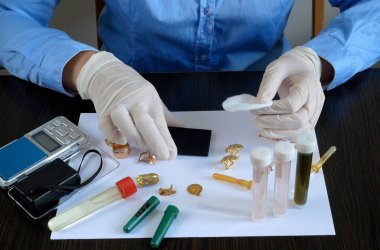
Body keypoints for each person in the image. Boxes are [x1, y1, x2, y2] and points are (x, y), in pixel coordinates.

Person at [0, 1, 379, 160]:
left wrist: (318, 61)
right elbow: (8, 15)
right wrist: (89, 69)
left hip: (265, 95)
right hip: (120, 95)